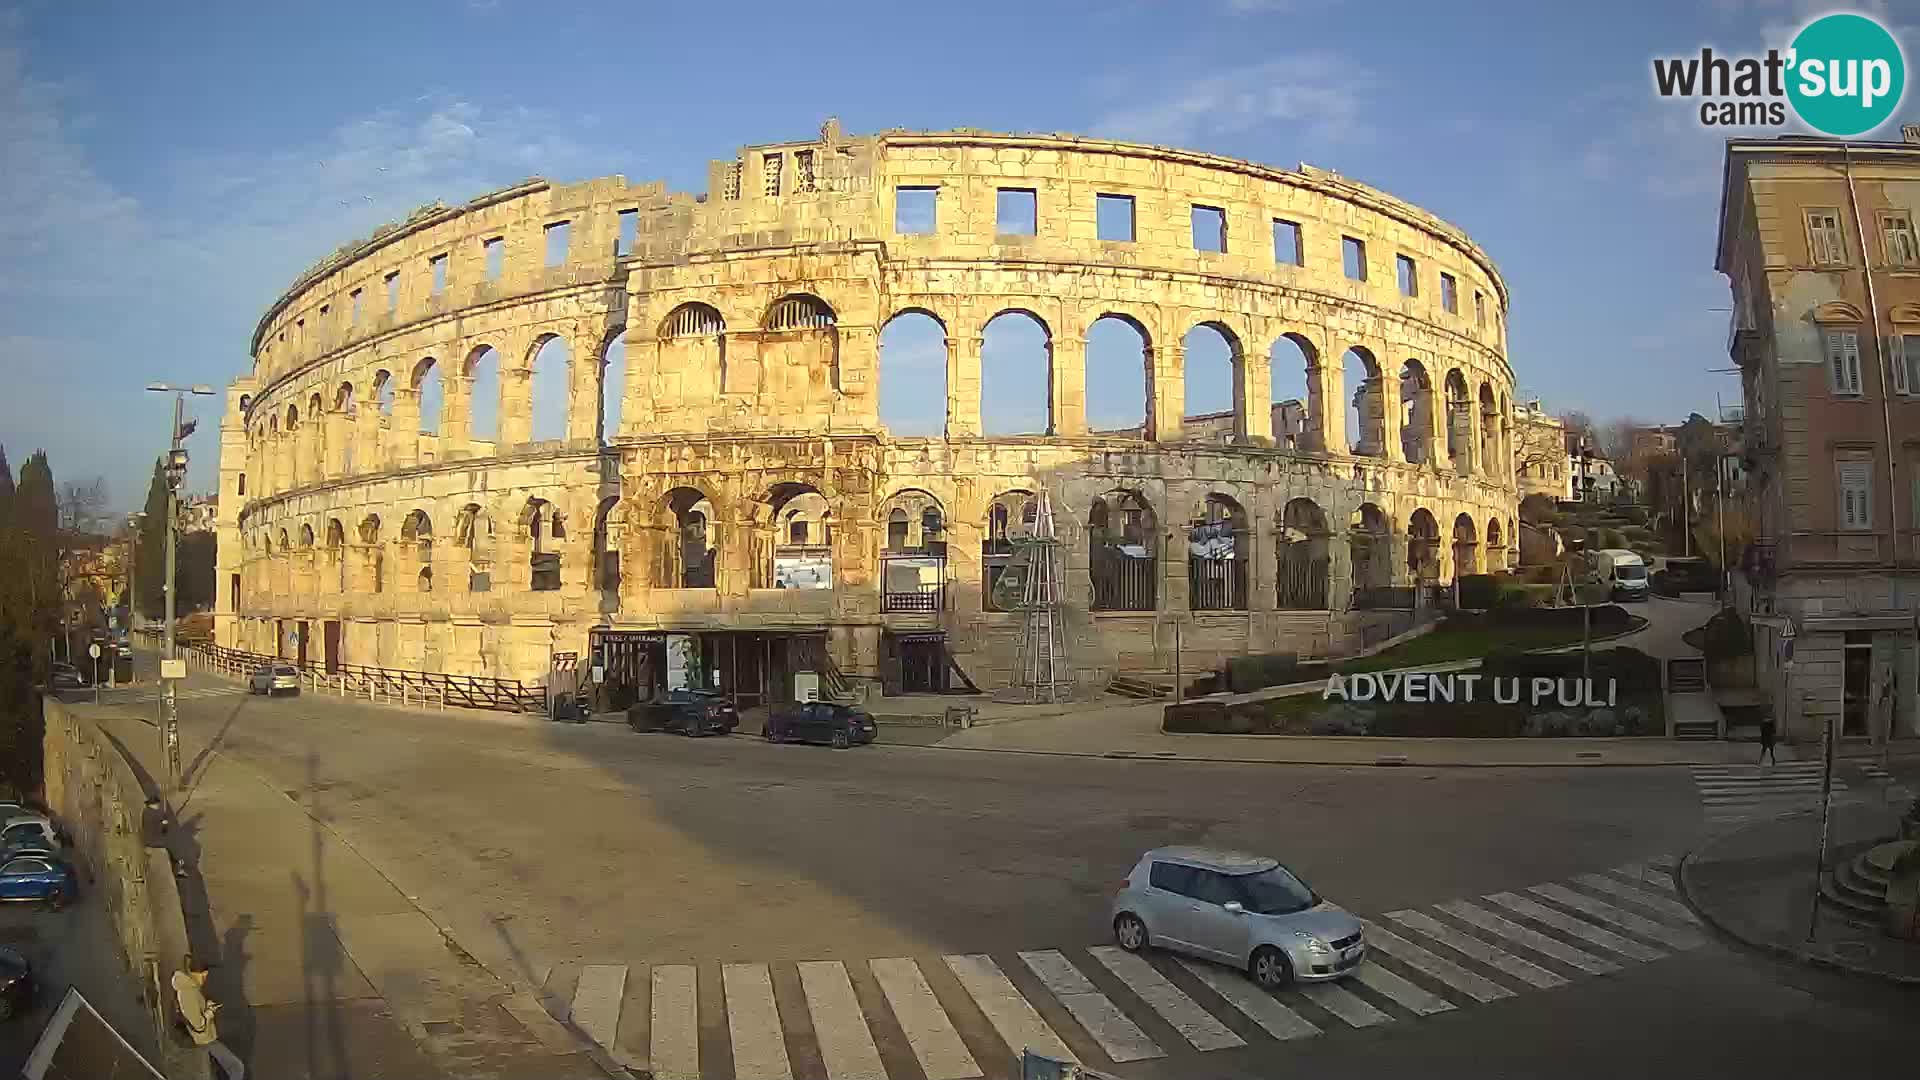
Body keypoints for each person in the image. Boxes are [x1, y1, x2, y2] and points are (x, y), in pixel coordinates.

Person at [173, 956, 245, 1079]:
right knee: (236, 1067)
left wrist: (207, 1006)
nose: (205, 979)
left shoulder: (190, 987)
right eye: (203, 975)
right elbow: (199, 1025)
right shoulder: (187, 993)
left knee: (222, 1069)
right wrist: (210, 1012)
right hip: (204, 1040)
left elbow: (194, 1013)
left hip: (205, 1038)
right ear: (193, 973)